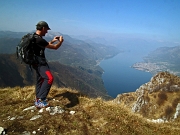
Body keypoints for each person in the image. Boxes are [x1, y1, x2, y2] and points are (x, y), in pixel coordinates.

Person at [32, 21, 64, 108]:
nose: (47, 31)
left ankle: (37, 98)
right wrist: (60, 42)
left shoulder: (35, 37)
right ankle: (41, 100)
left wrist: (53, 40)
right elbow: (55, 48)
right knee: (49, 78)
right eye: (46, 29)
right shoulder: (39, 39)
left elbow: (45, 45)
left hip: (34, 63)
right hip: (40, 63)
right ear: (42, 28)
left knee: (40, 79)